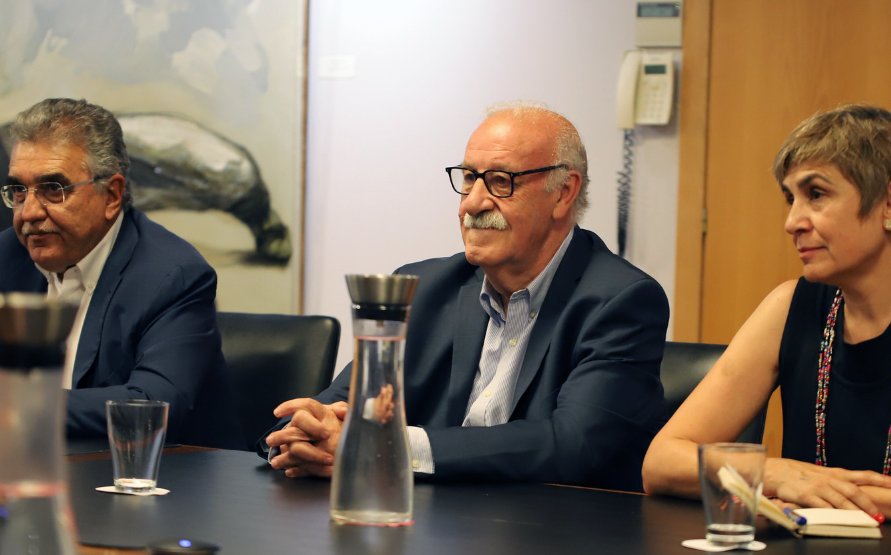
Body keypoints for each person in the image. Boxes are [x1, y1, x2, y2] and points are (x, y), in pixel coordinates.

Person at [642, 104, 891, 533]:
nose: (792, 222)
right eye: (791, 198)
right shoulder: (788, 306)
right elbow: (661, 461)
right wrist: (778, 474)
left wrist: (833, 494)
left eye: (816, 194)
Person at [264, 103, 671, 491]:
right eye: (469, 178)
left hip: (554, 530)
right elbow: (337, 408)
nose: (472, 204)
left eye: (500, 181)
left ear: (564, 193)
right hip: (429, 521)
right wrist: (302, 435)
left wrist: (385, 446)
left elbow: (574, 444)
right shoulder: (423, 287)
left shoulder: (621, 301)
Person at [0, 98, 235, 447]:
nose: (29, 213)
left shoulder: (172, 276)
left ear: (112, 195)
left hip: (158, 475)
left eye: (53, 189)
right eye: (19, 191)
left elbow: (152, 406)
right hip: (20, 470)